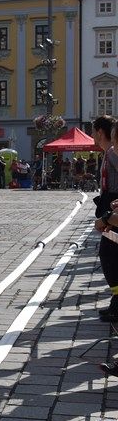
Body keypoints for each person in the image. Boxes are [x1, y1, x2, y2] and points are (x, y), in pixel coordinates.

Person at [93, 115, 118, 321]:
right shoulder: (108, 152)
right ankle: (116, 300)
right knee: (110, 254)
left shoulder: (112, 153)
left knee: (108, 254)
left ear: (100, 132)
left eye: (94, 132)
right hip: (112, 205)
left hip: (114, 210)